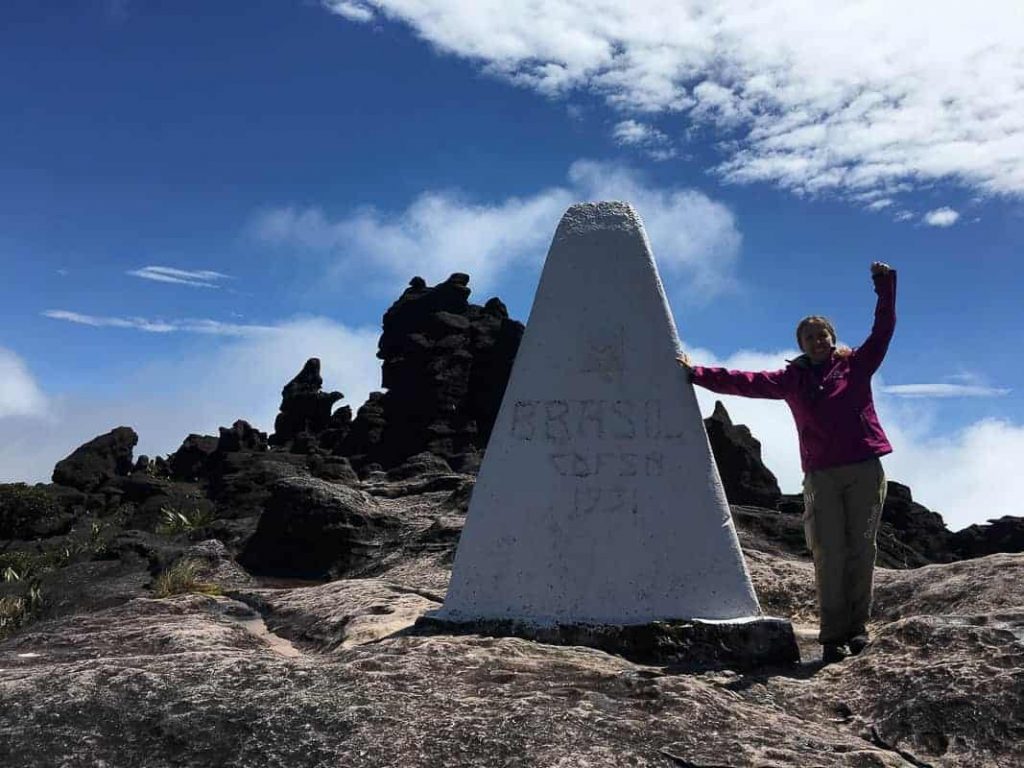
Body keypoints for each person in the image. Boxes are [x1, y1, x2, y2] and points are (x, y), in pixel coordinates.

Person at [678, 262, 896, 664]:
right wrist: (697, 373)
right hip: (821, 475)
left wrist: (885, 286)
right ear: (801, 343)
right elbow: (743, 381)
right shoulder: (790, 380)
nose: (817, 341)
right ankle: (833, 636)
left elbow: (883, 330)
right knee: (828, 551)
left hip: (865, 467)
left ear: (833, 339)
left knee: (861, 549)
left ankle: (857, 630)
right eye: (809, 337)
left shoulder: (856, 366)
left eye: (823, 335)